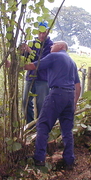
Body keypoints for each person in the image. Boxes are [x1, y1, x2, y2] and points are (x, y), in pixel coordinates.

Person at [24, 41, 81, 170]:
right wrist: (74, 102)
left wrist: (14, 66)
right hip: (69, 96)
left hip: (57, 94)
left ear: (61, 47)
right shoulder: (72, 62)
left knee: (43, 125)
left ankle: (39, 159)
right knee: (67, 130)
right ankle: (69, 160)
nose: (51, 46)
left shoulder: (55, 56)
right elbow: (78, 85)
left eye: (53, 45)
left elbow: (33, 66)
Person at [20, 21, 53, 125]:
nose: (42, 35)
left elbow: (42, 62)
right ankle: (29, 126)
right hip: (30, 77)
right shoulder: (32, 44)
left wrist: (30, 51)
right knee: (25, 102)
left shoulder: (51, 46)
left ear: (48, 32)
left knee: (41, 104)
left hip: (43, 79)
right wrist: (22, 51)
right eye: (40, 33)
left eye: (44, 33)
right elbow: (25, 59)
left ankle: (41, 128)